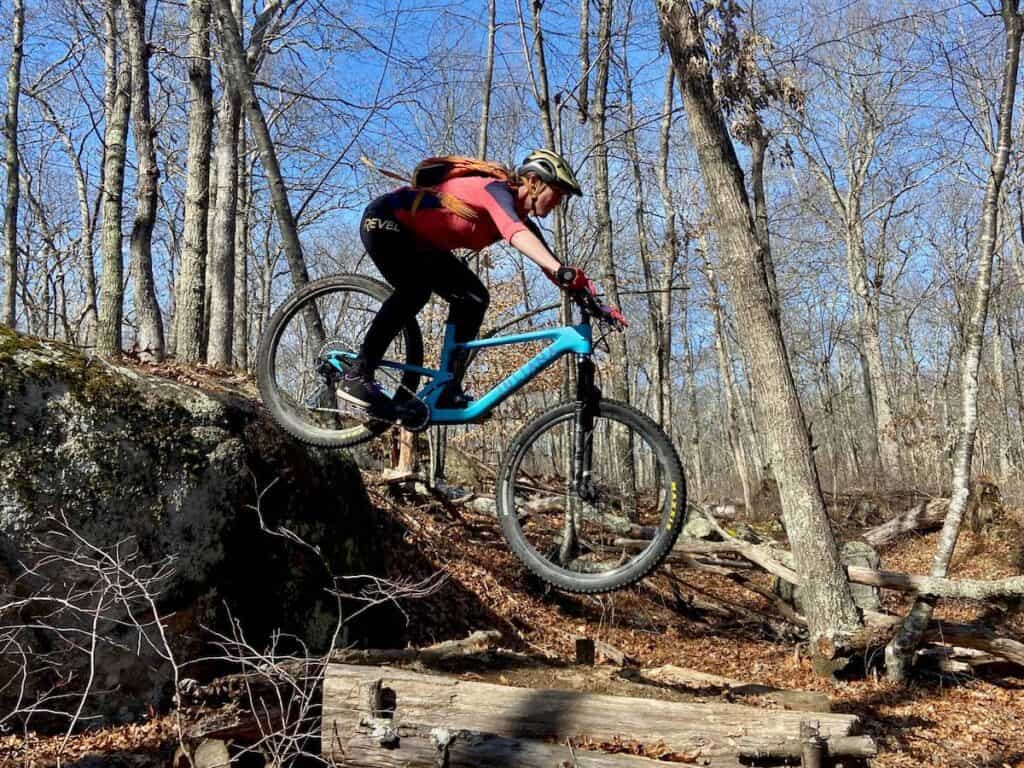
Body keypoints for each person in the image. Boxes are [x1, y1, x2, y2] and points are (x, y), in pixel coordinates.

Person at [341, 149, 619, 420]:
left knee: (473, 298)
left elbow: (551, 264)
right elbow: (516, 234)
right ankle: (356, 374)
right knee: (415, 291)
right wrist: (561, 271)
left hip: (421, 243)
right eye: (558, 193)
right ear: (534, 182)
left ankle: (447, 388)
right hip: (386, 220)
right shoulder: (494, 191)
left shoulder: (518, 216)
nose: (559, 202)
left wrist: (595, 303)